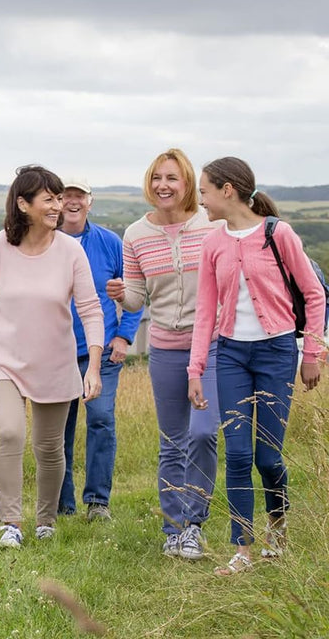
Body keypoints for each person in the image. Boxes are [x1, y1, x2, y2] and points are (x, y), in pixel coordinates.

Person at [189, 157, 324, 575]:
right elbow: (206, 312)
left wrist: (313, 355)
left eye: (205, 191)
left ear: (228, 190)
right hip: (230, 356)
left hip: (277, 353)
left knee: (268, 457)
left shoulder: (278, 234)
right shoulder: (213, 242)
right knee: (239, 453)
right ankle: (242, 548)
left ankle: (278, 526)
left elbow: (314, 295)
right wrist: (195, 370)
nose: (202, 200)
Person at [0, 165, 104, 548]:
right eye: (49, 199)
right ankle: (10, 522)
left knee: (49, 447)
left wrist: (93, 364)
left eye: (59, 198)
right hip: (0, 356)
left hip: (55, 360)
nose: (58, 206)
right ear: (23, 204)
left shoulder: (71, 251)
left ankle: (45, 521)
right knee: (9, 432)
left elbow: (90, 309)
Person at [106, 148, 219, 560]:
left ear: (187, 183)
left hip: (211, 344)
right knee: (172, 442)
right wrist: (123, 295)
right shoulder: (135, 234)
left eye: (171, 178)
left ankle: (195, 522)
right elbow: (138, 299)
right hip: (166, 348)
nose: (163, 185)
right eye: (156, 178)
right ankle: (174, 529)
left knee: (204, 432)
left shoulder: (212, 225)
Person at [58, 179, 144, 521]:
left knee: (102, 420)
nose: (73, 202)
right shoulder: (46, 242)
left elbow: (135, 292)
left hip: (103, 353)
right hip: (57, 353)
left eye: (80, 195)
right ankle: (62, 505)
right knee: (57, 431)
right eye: (66, 196)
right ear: (56, 202)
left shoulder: (110, 243)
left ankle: (98, 503)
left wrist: (124, 336)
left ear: (90, 202)